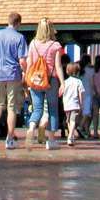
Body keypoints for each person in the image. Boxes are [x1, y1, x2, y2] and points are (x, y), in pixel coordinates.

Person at [0, 11, 27, 150]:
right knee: (12, 107)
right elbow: (22, 61)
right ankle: (9, 138)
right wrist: (26, 72)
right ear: (18, 23)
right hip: (13, 75)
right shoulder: (19, 37)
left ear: (8, 21)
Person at [25, 18, 64, 151]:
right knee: (53, 110)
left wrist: (27, 79)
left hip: (35, 79)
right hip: (51, 80)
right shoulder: (55, 45)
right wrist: (62, 83)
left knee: (37, 109)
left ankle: (31, 128)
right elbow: (58, 66)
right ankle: (51, 140)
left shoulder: (33, 44)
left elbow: (29, 63)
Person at [62, 62, 84, 146]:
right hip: (75, 104)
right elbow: (81, 93)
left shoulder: (65, 82)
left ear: (67, 71)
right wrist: (81, 104)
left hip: (66, 104)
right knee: (73, 121)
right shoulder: (79, 82)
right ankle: (70, 136)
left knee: (68, 121)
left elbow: (61, 92)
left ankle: (71, 136)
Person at [79, 53, 95, 139]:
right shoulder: (90, 70)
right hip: (89, 92)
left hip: (80, 92)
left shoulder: (80, 70)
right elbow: (92, 82)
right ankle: (81, 127)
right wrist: (95, 91)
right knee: (87, 112)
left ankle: (86, 131)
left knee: (85, 112)